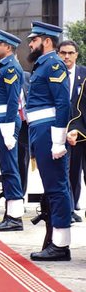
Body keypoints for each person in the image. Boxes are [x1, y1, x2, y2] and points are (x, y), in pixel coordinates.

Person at [25, 21, 72, 261]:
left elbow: (63, 103)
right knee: (52, 187)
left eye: (33, 40)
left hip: (48, 132)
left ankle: (60, 246)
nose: (30, 44)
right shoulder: (43, 64)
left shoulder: (53, 64)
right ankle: (57, 242)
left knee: (56, 188)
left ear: (46, 41)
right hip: (40, 130)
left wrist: (58, 141)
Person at [0, 30, 25, 231]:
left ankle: (15, 218)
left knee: (10, 169)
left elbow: (13, 100)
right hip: (3, 122)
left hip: (6, 123)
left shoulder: (11, 67)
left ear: (8, 47)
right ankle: (10, 214)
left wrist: (9, 129)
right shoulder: (4, 66)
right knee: (7, 168)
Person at [58, 40, 86, 222]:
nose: (66, 56)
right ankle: (66, 209)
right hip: (60, 128)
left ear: (76, 54)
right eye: (63, 53)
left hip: (81, 129)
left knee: (76, 170)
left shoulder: (84, 74)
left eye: (70, 53)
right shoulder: (54, 73)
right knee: (63, 170)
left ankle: (73, 204)